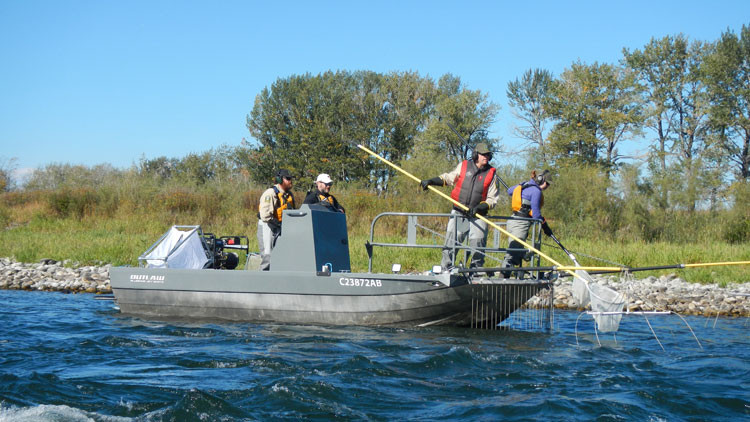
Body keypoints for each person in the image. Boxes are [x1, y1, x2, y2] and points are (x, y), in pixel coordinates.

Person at [420, 143, 501, 273]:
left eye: (488, 154)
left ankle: (476, 270)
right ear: (476, 155)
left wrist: (481, 206)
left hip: (478, 215)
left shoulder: (491, 174)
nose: (486, 156)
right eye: (483, 154)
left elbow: (493, 198)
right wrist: (431, 181)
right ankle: (445, 267)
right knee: (452, 240)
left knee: (478, 243)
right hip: (459, 211)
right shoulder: (463, 166)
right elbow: (450, 178)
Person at [501, 169, 552, 278]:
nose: (547, 187)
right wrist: (545, 225)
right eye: (547, 184)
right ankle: (503, 276)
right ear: (541, 180)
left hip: (512, 220)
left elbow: (510, 191)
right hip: (521, 223)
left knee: (515, 247)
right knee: (513, 252)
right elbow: (536, 214)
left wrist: (521, 190)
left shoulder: (524, 185)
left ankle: (518, 269)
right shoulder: (536, 191)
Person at [257, 169, 296, 271]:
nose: (290, 181)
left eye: (290, 178)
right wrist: (277, 225)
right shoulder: (270, 193)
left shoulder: (289, 195)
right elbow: (265, 215)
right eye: (287, 179)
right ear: (280, 180)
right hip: (268, 225)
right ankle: (264, 277)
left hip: (281, 227)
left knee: (283, 255)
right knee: (268, 255)